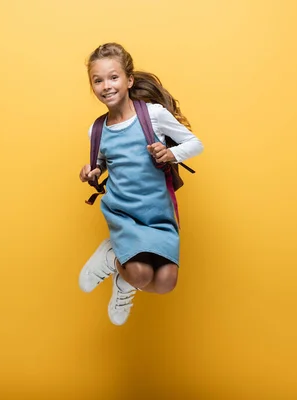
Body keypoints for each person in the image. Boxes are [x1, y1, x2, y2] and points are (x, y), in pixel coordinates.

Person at [78, 43, 203, 325]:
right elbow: (100, 164)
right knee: (139, 274)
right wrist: (91, 172)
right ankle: (114, 258)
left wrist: (171, 153)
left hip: (158, 214)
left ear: (129, 80)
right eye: (97, 80)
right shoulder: (97, 129)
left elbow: (195, 144)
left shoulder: (153, 115)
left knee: (165, 282)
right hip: (124, 213)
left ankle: (120, 276)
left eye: (113, 77)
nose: (106, 86)